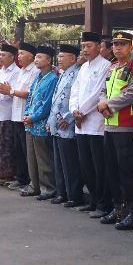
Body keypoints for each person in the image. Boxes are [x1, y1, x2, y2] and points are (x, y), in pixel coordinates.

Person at [97, 31, 133, 230]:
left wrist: (108, 105)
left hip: (127, 127)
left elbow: (132, 93)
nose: (118, 48)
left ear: (131, 47)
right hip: (109, 126)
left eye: (122, 44)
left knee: (128, 172)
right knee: (112, 170)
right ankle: (120, 209)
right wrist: (103, 103)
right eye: (115, 44)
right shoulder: (112, 68)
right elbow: (103, 89)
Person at [70, 32, 114, 216]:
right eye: (83, 46)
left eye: (89, 46)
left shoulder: (106, 66)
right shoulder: (83, 68)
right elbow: (75, 91)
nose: (85, 50)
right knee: (86, 163)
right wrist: (74, 111)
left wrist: (82, 113)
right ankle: (94, 200)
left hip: (95, 123)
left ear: (99, 47)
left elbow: (98, 94)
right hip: (80, 123)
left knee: (99, 165)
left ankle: (104, 204)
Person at [22, 46, 60, 198]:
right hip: (30, 123)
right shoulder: (38, 77)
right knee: (31, 157)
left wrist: (33, 117)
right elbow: (30, 97)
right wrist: (26, 115)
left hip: (41, 123)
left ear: (49, 60)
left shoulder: (53, 78)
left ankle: (48, 188)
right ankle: (34, 186)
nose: (36, 60)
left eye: (39, 57)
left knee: (43, 158)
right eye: (36, 57)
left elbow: (47, 104)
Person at [1, 42, 39, 189]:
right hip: (16, 115)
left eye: (21, 54)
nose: (19, 57)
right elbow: (15, 91)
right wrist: (7, 91)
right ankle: (21, 178)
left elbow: (30, 93)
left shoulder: (34, 71)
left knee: (27, 150)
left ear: (31, 56)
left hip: (26, 115)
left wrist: (9, 91)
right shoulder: (22, 70)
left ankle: (31, 180)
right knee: (18, 149)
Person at [48, 45, 82, 205]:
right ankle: (62, 193)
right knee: (59, 161)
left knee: (70, 163)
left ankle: (74, 195)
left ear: (73, 58)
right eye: (59, 57)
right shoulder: (62, 74)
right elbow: (55, 99)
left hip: (67, 124)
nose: (59, 60)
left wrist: (68, 117)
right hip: (56, 124)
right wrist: (50, 120)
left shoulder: (77, 73)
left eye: (62, 57)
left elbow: (77, 98)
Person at [0, 45, 20, 182]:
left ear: (12, 57)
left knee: (5, 145)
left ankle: (7, 173)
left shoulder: (16, 72)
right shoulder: (1, 71)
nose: (0, 57)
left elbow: (8, 93)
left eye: (3, 55)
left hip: (6, 113)